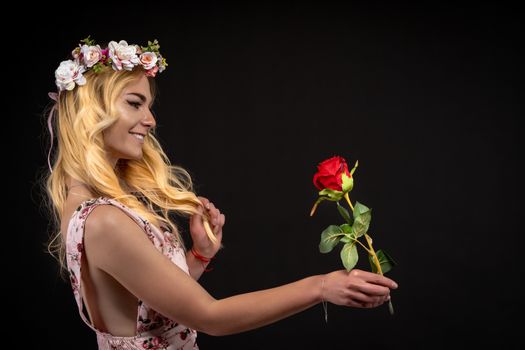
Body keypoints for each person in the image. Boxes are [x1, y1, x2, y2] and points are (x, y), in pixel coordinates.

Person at [44, 37, 398, 349]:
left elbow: (147, 313)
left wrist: (198, 256)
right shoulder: (105, 220)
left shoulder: (80, 204)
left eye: (149, 106)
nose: (151, 120)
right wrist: (321, 286)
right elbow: (209, 317)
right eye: (135, 103)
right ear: (92, 111)